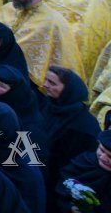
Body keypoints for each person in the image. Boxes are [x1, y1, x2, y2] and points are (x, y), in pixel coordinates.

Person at [41, 66, 101, 197]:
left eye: (52, 83)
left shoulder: (83, 125)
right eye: (46, 80)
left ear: (68, 89)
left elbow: (77, 163)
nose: (45, 85)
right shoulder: (49, 105)